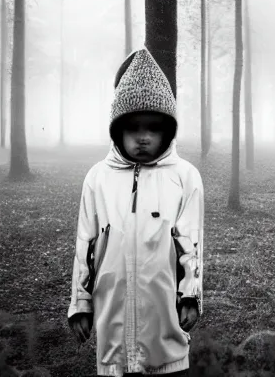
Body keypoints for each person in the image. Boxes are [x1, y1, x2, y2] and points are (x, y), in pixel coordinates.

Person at [67, 48, 204, 377]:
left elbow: (192, 243)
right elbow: (85, 244)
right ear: (118, 128)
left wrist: (191, 295)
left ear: (167, 130)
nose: (143, 137)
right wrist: (81, 303)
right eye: (134, 127)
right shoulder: (98, 178)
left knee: (166, 366)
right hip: (111, 317)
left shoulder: (184, 177)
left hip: (164, 320)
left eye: (153, 128)